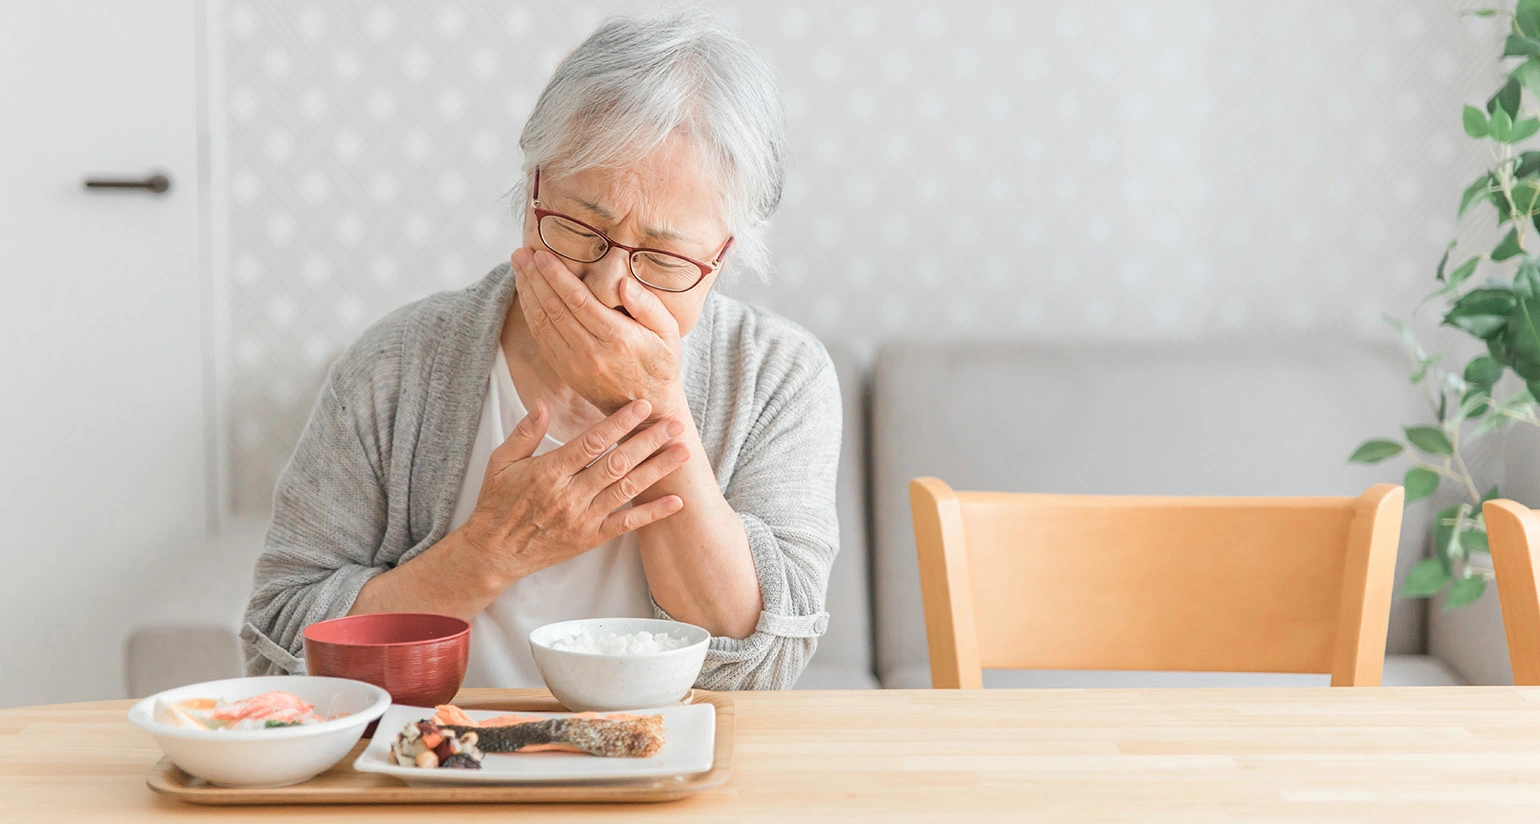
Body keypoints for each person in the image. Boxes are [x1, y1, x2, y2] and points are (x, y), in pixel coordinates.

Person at [240, 10, 840, 690]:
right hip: (435, 771)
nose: (610, 285)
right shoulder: (395, 367)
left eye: (664, 258)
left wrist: (655, 402)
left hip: (671, 778)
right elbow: (277, 648)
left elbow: (764, 668)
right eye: (581, 227)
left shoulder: (779, 376)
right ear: (533, 186)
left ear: (723, 257)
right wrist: (488, 551)